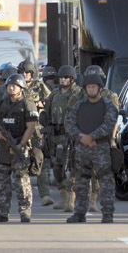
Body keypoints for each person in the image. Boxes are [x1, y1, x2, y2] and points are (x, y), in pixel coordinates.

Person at [64, 73, 118, 223]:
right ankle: (79, 213)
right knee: (81, 182)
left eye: (94, 87)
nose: (91, 89)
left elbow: (109, 124)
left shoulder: (108, 105)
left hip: (100, 148)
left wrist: (92, 137)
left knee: (106, 182)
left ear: (99, 88)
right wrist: (82, 137)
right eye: (89, 87)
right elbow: (69, 123)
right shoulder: (79, 105)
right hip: (81, 149)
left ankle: (107, 214)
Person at [0, 74, 38, 223]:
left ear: (21, 88)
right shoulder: (1, 103)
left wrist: (20, 145)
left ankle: (24, 212)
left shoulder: (27, 104)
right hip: (3, 147)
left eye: (14, 86)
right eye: (9, 85)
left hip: (19, 147)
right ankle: (2, 212)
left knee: (21, 182)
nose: (11, 88)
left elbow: (31, 127)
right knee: (2, 182)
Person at [44, 65, 82, 209]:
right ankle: (64, 197)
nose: (62, 80)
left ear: (72, 79)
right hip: (55, 135)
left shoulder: (77, 93)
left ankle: (71, 200)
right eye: (61, 77)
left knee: (72, 167)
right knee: (57, 169)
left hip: (70, 136)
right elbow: (47, 113)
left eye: (65, 77)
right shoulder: (54, 94)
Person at [17, 60, 53, 209]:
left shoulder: (39, 86)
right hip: (20, 129)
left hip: (37, 130)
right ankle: (24, 195)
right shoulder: (16, 85)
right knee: (20, 162)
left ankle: (45, 195)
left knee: (40, 161)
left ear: (32, 73)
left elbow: (50, 99)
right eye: (22, 72)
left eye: (27, 72)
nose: (24, 75)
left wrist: (39, 104)